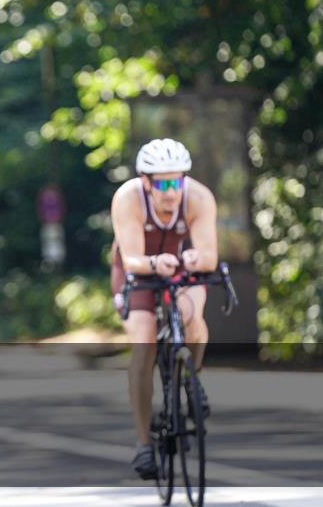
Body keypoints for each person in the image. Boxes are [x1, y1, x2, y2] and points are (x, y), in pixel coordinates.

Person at [109, 138, 217, 480]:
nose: (171, 191)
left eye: (177, 181)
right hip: (140, 269)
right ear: (146, 181)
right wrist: (156, 262)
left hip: (182, 268)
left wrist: (195, 258)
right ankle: (143, 443)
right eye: (163, 183)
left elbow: (210, 255)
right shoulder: (128, 198)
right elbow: (131, 259)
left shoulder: (198, 197)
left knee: (191, 314)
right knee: (144, 344)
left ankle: (191, 378)